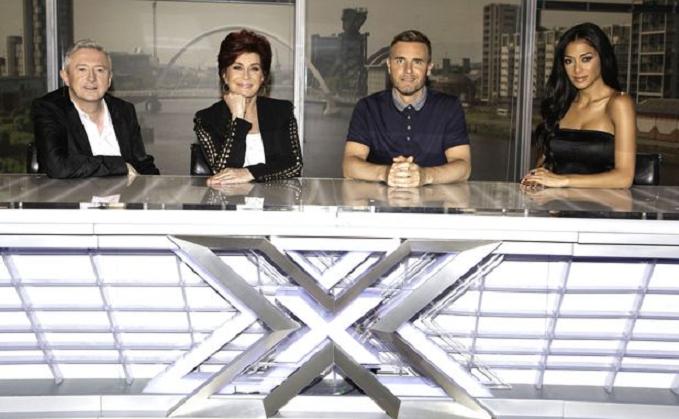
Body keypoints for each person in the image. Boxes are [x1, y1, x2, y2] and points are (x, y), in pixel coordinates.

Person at [343, 29, 471, 188]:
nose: (408, 70)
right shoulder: (367, 108)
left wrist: (424, 176)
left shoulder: (449, 107)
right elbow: (349, 165)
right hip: (379, 202)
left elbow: (463, 167)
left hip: (434, 202)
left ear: (429, 68)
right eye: (400, 61)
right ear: (389, 65)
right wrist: (386, 173)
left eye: (417, 62)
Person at [521, 22, 636, 189]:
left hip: (604, 203)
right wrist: (535, 180)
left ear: (602, 58)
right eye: (569, 61)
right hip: (557, 201)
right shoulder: (561, 103)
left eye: (586, 59)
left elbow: (624, 177)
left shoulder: (619, 103)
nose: (577, 70)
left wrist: (564, 180)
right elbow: (544, 166)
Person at [32, 39, 159, 178]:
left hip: (124, 192)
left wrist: (159, 186)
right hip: (75, 192)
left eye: (99, 70)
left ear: (109, 79)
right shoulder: (49, 108)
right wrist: (120, 166)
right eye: (82, 69)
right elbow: (57, 166)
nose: (91, 78)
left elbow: (142, 162)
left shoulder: (124, 110)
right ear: (66, 77)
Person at [193, 29, 302, 185]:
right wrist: (237, 118)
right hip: (229, 199)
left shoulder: (281, 111)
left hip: (274, 197)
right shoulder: (206, 119)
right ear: (224, 75)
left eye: (254, 68)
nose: (246, 76)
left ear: (263, 76)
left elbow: (293, 165)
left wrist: (249, 173)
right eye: (237, 67)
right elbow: (223, 172)